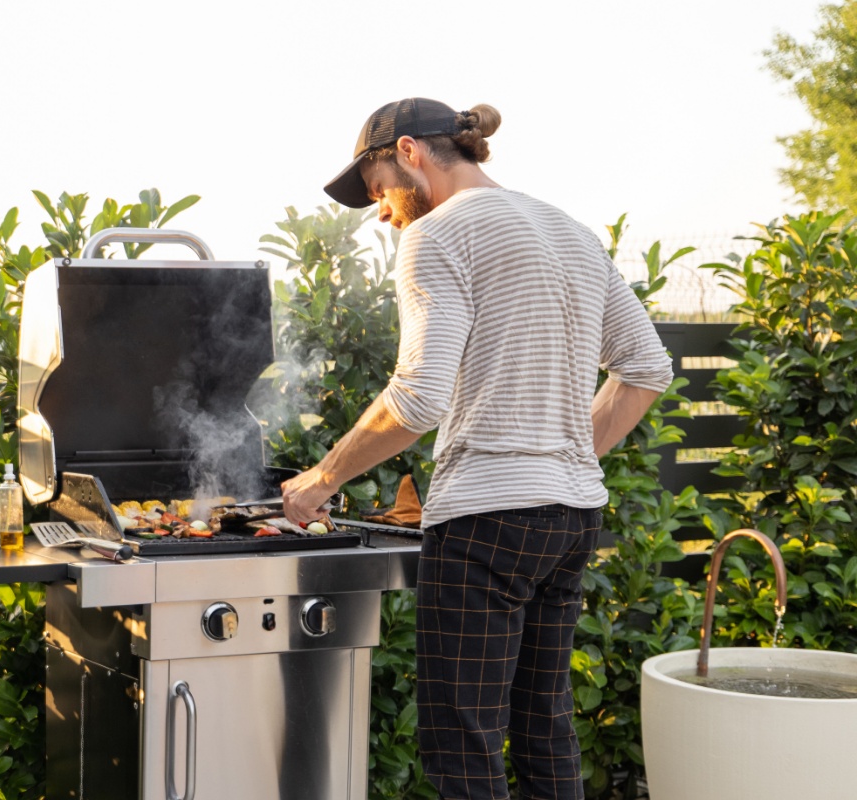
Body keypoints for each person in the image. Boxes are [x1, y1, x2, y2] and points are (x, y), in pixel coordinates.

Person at [281, 97, 673, 800]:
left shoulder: (436, 236)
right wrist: (559, 455)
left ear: (408, 153)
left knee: (462, 743)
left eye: (376, 190)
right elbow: (648, 367)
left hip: (486, 524)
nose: (381, 212)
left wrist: (320, 478)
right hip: (571, 517)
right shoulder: (572, 231)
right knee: (545, 727)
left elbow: (418, 398)